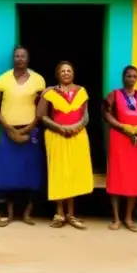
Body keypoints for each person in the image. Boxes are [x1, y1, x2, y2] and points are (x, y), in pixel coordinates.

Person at [0, 45, 46, 227]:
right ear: (13, 59)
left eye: (23, 56)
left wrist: (29, 127)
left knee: (30, 171)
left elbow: (42, 108)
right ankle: (8, 213)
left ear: (28, 59)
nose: (20, 59)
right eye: (17, 56)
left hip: (31, 130)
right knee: (8, 172)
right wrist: (7, 127)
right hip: (7, 130)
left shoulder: (38, 80)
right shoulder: (2, 80)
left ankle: (27, 214)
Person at [38, 61, 94, 229]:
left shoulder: (81, 91)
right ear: (57, 74)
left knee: (74, 174)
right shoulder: (50, 93)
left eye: (69, 70)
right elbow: (42, 116)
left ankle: (71, 214)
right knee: (59, 173)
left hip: (78, 136)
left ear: (73, 73)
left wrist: (75, 128)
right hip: (56, 136)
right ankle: (59, 213)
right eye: (63, 71)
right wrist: (60, 128)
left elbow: (86, 117)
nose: (66, 73)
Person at [103, 64, 137, 232]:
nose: (131, 79)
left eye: (134, 76)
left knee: (134, 177)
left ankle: (129, 217)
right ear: (123, 78)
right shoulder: (114, 94)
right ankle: (116, 218)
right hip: (119, 138)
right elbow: (106, 113)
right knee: (117, 176)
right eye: (128, 76)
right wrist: (122, 126)